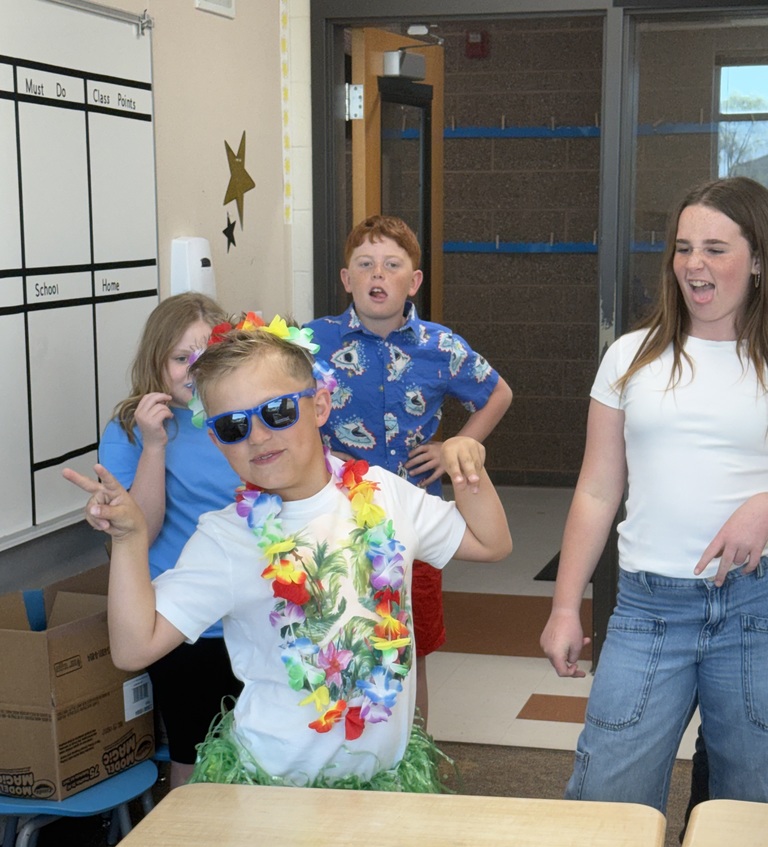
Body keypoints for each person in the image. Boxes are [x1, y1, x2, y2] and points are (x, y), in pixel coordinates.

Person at [64, 320, 512, 791]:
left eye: (277, 411)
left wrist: (467, 465)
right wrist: (130, 539)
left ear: (319, 405)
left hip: (386, 781)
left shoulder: (385, 495)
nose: (257, 436)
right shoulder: (226, 538)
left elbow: (491, 543)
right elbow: (134, 647)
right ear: (217, 440)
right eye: (233, 425)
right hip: (274, 790)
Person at [540, 176, 768, 814]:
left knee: (749, 813)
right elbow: (596, 488)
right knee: (608, 802)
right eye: (684, 246)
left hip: (756, 609)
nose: (695, 263)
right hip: (648, 610)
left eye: (717, 248)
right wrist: (565, 609)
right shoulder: (630, 357)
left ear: (758, 261)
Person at [306, 215, 513, 723]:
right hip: (333, 523)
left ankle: (411, 757)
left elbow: (498, 393)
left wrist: (458, 445)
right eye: (366, 264)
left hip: (412, 525)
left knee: (408, 649)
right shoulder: (312, 342)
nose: (378, 275)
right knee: (334, 641)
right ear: (345, 278)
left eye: (392, 265)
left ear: (413, 281)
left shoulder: (439, 347)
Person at [99, 292, 243, 788]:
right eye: (181, 358)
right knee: (194, 751)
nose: (193, 370)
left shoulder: (239, 416)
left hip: (253, 613)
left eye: (205, 357)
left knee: (260, 748)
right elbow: (142, 529)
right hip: (181, 624)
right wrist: (155, 445)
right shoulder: (129, 429)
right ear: (156, 361)